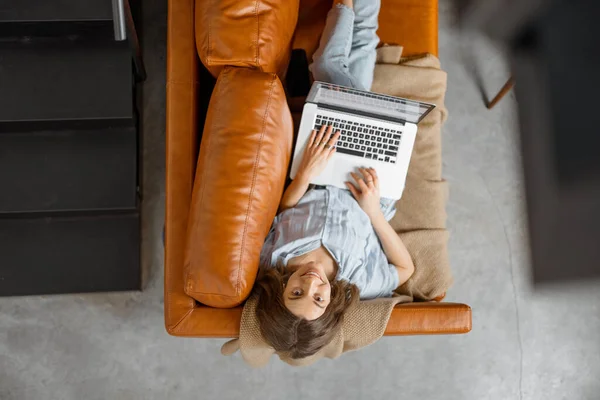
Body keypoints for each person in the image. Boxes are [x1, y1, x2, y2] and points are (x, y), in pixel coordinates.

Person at [253, 0, 415, 359]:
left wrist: (306, 174)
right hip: (370, 179)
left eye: (296, 293)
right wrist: (373, 212)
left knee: (340, 68)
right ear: (331, 303)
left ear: (278, 293)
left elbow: (279, 211)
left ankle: (348, 8)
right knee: (334, 67)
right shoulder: (358, 282)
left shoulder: (272, 259)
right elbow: (404, 269)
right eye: (318, 298)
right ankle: (344, 6)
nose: (311, 283)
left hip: (319, 162)